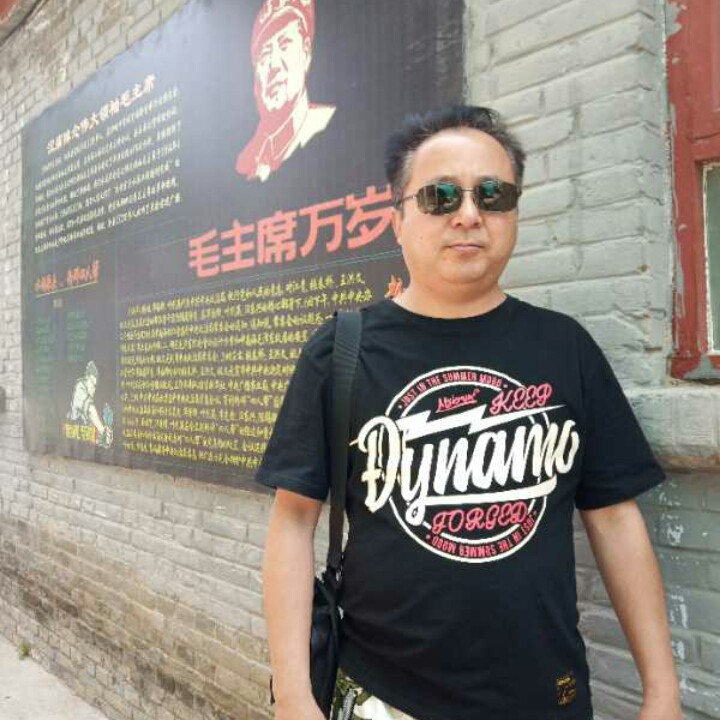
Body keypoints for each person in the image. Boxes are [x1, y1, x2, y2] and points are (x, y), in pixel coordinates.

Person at [257, 106, 682, 720]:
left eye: (492, 194)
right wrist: (294, 694)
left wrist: (662, 690)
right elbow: (293, 524)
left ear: (514, 214)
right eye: (440, 196)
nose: (468, 214)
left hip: (544, 697)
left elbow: (614, 518)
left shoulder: (565, 348)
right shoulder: (341, 351)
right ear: (397, 219)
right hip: (382, 697)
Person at [236, 0, 335, 182]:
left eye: (284, 45)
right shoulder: (248, 161)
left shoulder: (330, 125)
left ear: (306, 52)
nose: (274, 65)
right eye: (265, 54)